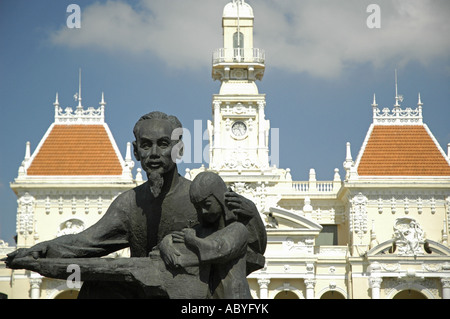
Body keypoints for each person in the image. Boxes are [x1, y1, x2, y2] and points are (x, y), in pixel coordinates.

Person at [4, 111, 266, 298]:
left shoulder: (200, 195)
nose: (154, 154)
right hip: (143, 289)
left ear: (180, 150)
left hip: (196, 295)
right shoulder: (129, 204)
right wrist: (41, 249)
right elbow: (85, 243)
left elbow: (248, 247)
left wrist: (252, 216)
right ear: (135, 151)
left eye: (163, 145)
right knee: (97, 287)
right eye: (146, 145)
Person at [172, 171, 252, 299]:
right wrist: (166, 245)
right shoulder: (202, 232)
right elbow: (174, 239)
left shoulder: (238, 230)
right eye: (198, 208)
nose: (203, 211)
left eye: (207, 205)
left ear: (220, 199)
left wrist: (192, 239)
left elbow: (218, 250)